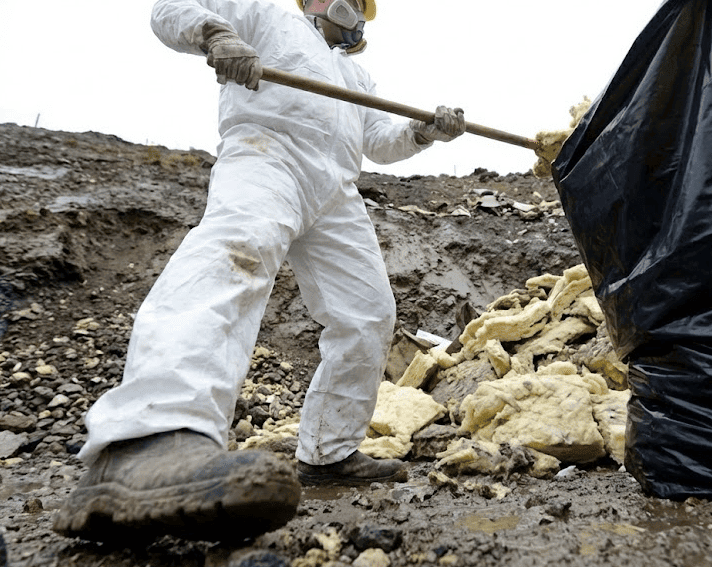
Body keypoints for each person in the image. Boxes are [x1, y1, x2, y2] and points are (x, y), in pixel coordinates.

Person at [53, 0, 465, 542]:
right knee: (236, 253)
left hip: (336, 189)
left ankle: (329, 452)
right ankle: (147, 440)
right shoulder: (271, 14)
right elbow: (171, 8)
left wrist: (424, 130)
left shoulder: (355, 72)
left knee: (368, 314)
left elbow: (378, 142)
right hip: (267, 151)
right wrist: (214, 33)